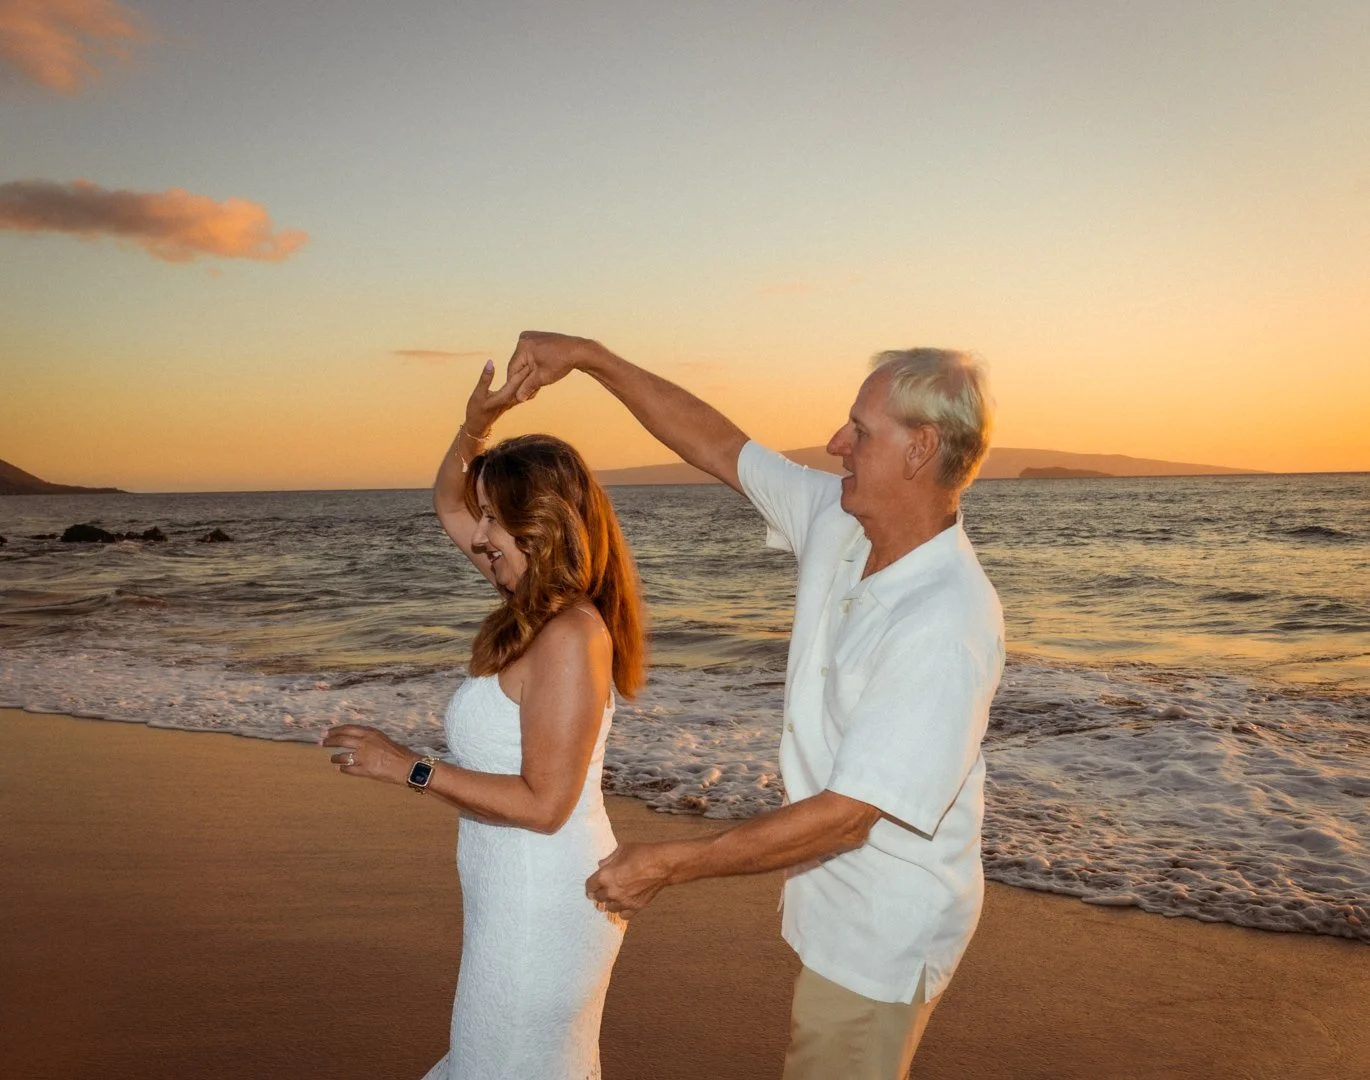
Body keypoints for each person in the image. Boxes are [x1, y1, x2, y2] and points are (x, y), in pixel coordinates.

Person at [508, 331, 1004, 1080]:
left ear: (919, 450)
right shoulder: (839, 518)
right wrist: (592, 358)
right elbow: (717, 445)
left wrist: (668, 865)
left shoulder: (945, 620)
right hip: (831, 900)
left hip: (883, 926)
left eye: (860, 433)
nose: (836, 444)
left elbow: (849, 813)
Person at [321, 358, 646, 1079]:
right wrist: (477, 423)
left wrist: (407, 765)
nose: (478, 536)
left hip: (543, 906)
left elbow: (545, 803)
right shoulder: (535, 605)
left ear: (540, 523)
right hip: (512, 900)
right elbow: (446, 501)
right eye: (486, 516)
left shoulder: (571, 634)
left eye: (495, 517)